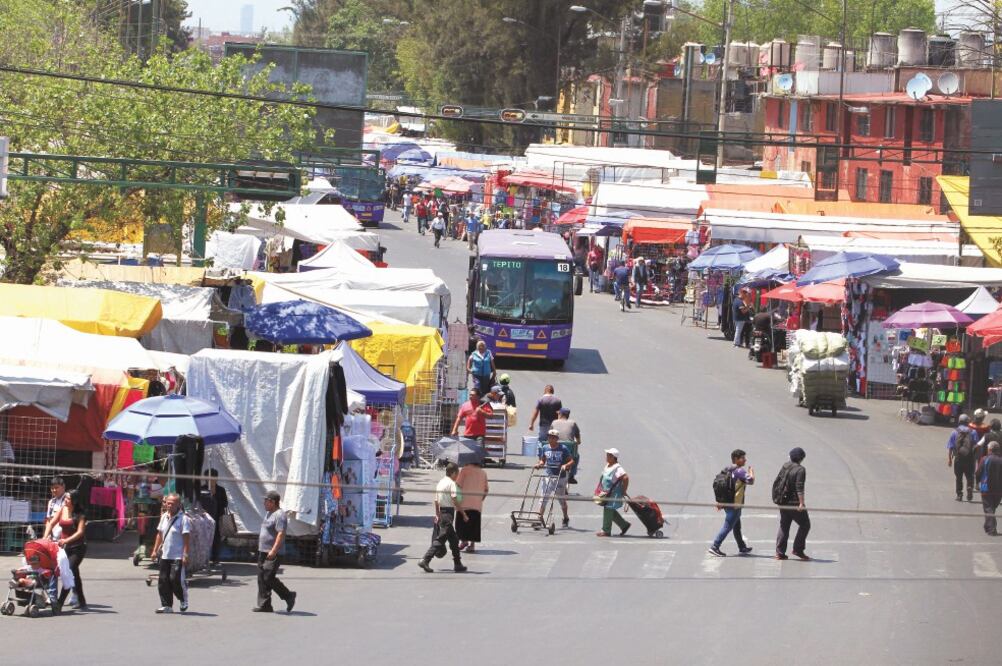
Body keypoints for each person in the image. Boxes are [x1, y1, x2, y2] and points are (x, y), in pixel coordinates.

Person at [418, 463, 468, 573]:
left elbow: (436, 500)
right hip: (448, 514)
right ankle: (425, 559)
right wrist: (463, 514)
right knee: (440, 539)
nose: (458, 476)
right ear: (453, 472)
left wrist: (437, 514)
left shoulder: (441, 482)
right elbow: (455, 499)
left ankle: (458, 564)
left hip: (442, 512)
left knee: (454, 540)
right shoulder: (451, 483)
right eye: (457, 473)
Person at [254, 491, 297, 613]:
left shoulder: (280, 515)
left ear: (272, 502)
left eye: (266, 501)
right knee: (261, 578)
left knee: (268, 577)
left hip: (273, 552)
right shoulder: (269, 514)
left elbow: (281, 534)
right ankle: (265, 605)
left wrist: (273, 550)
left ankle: (288, 595)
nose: (264, 503)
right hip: (263, 551)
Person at [708, 449, 755, 557]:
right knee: (728, 526)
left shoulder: (727, 469)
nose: (745, 460)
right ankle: (715, 546)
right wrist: (751, 471)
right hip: (734, 504)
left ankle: (742, 547)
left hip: (727, 502)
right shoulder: (740, 471)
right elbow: (751, 481)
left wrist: (720, 501)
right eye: (743, 458)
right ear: (736, 459)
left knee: (736, 525)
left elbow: (721, 485)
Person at [151, 493, 190, 613]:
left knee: (175, 580)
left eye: (172, 503)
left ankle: (183, 599)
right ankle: (166, 605)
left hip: (177, 556)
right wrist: (154, 550)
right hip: (165, 555)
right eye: (168, 503)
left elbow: (186, 538)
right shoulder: (164, 517)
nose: (169, 505)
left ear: (178, 504)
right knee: (163, 580)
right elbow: (160, 534)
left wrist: (185, 554)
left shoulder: (184, 519)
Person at [51, 490, 87, 610]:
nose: (65, 500)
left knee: (69, 571)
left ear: (75, 501)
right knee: (74, 574)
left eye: (68, 499)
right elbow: (52, 522)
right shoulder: (63, 509)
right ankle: (81, 600)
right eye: (65, 498)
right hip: (64, 548)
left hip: (78, 548)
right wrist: (45, 536)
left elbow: (80, 532)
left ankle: (60, 603)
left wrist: (66, 541)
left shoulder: (81, 514)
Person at [775, 447, 810, 561]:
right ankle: (798, 549)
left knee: (784, 525)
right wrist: (801, 503)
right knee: (805, 524)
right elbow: (799, 487)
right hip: (793, 503)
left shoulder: (785, 466)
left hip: (782, 501)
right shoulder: (800, 470)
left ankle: (780, 552)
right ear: (801, 458)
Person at [534, 430, 574, 528]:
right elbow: (543, 460)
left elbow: (571, 461)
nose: (551, 439)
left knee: (561, 499)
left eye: (553, 437)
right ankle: (539, 518)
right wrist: (540, 464)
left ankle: (565, 517)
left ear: (557, 438)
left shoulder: (563, 448)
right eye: (549, 437)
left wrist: (565, 465)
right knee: (543, 498)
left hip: (560, 477)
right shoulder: (545, 448)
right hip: (548, 476)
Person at [596, 448, 630, 537]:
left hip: (613, 493)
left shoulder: (618, 468)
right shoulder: (608, 465)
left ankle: (606, 531)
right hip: (605, 492)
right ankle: (624, 525)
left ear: (613, 457)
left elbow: (625, 478)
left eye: (609, 455)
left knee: (608, 508)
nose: (606, 456)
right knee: (610, 509)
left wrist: (624, 491)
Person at [457, 461, 489, 553]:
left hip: (464, 503)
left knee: (462, 524)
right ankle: (472, 545)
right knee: (474, 526)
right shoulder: (483, 473)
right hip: (476, 505)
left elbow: (458, 485)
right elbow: (486, 489)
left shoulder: (464, 471)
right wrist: (480, 499)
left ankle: (464, 541)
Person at [199, 469, 229, 564]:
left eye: (213, 478)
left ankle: (215, 558)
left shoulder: (221, 489)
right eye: (207, 478)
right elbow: (199, 503)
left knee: (216, 537)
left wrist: (214, 497)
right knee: (203, 537)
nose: (210, 480)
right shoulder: (201, 489)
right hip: (205, 518)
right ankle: (203, 558)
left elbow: (225, 503)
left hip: (217, 517)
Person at [948, 413, 978, 502]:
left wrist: (949, 459)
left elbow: (950, 447)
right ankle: (969, 488)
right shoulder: (973, 432)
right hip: (970, 458)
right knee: (970, 476)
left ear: (959, 421)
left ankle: (959, 495)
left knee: (959, 477)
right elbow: (976, 446)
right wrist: (975, 458)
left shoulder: (954, 432)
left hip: (958, 458)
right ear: (967, 422)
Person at [551, 407, 581, 483]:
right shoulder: (573, 423)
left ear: (560, 414)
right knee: (576, 457)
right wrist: (578, 441)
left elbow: (550, 434)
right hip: (568, 448)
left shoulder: (554, 422)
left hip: (555, 447)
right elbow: (577, 436)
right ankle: (571, 475)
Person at [980, 441, 1002, 536]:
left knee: (989, 508)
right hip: (999, 490)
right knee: (992, 508)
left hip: (986, 488)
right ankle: (987, 525)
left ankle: (992, 529)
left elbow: (978, 472)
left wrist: (977, 482)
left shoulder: (984, 459)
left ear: (989, 449)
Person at [42, 477, 68, 541]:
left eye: (56, 487)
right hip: (53, 537)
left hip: (65, 537)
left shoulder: (68, 500)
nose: (54, 490)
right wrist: (47, 535)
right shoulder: (51, 502)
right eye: (52, 488)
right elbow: (48, 520)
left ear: (63, 486)